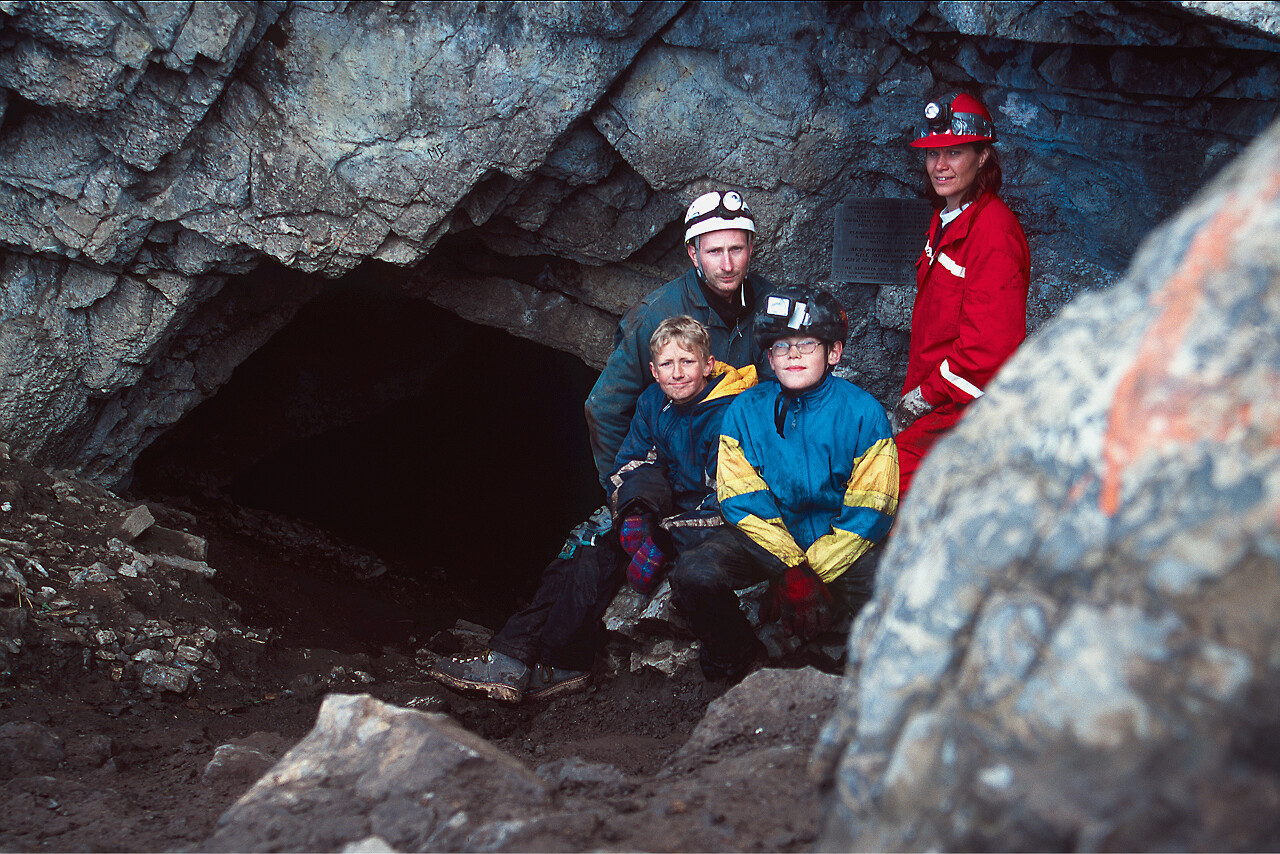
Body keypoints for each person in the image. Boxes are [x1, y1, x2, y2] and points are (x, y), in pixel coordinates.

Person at [428, 316, 757, 703]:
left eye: (687, 362)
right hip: (664, 509)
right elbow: (636, 462)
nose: (677, 373)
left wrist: (666, 538)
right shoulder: (654, 401)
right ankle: (515, 659)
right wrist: (638, 512)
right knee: (586, 549)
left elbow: (730, 497)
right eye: (666, 365)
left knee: (608, 552)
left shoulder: (733, 412)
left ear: (709, 364)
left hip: (706, 524)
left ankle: (557, 662)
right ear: (653, 370)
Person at [671, 286, 899, 683]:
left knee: (897, 592)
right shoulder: (744, 411)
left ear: (834, 353)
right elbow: (741, 501)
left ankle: (871, 680)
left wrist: (811, 575)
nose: (793, 355)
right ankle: (736, 659)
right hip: (768, 542)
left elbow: (871, 510)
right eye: (781, 346)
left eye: (807, 344)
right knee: (694, 573)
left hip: (841, 541)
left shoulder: (864, 413)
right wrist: (790, 569)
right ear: (769, 356)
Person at [585, 190, 772, 492]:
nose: (727, 265)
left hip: (740, 473)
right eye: (713, 252)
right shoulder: (657, 314)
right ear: (693, 253)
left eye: (736, 249)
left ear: (751, 249)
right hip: (676, 476)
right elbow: (605, 408)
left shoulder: (768, 303)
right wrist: (622, 493)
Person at [891, 92, 1031, 496]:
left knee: (894, 497)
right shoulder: (948, 218)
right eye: (933, 153)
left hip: (960, 412)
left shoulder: (993, 234)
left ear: (982, 156)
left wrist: (924, 398)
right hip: (935, 401)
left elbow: (988, 351)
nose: (940, 165)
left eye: (953, 152)